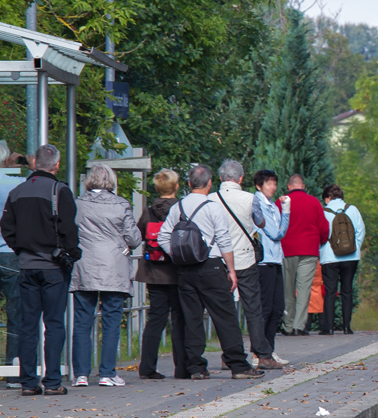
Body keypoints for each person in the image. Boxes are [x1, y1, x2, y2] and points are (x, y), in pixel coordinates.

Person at [157, 164, 263, 380]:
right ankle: (238, 366)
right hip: (211, 266)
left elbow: (163, 236)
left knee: (191, 318)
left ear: (188, 184)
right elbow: (224, 239)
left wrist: (178, 255)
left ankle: (196, 367)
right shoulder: (213, 206)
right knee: (225, 317)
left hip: (185, 270)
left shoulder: (178, 207)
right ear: (210, 183)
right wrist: (231, 270)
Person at [0, 144, 80, 396]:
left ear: (34, 163)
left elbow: (6, 226)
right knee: (54, 323)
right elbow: (69, 230)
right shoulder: (60, 191)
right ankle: (53, 381)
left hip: (26, 266)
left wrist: (21, 249)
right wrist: (72, 254)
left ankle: (28, 382)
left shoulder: (18, 191)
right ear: (56, 165)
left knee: (28, 324)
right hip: (54, 267)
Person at [69, 164, 142, 387]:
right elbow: (134, 238)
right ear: (111, 181)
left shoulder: (77, 204)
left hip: (84, 265)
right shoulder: (121, 204)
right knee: (111, 321)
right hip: (113, 266)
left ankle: (80, 374)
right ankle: (107, 373)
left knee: (82, 321)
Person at [216, 160, 282, 370]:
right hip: (244, 259)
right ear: (241, 178)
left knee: (224, 311)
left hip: (217, 260)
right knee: (253, 309)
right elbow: (260, 222)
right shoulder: (249, 198)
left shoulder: (210, 199)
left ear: (219, 179)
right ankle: (263, 355)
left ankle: (229, 355)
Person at [135, 169, 187, 380]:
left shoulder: (148, 211)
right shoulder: (182, 210)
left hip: (154, 272)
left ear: (156, 188)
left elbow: (138, 234)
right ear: (176, 187)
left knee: (156, 318)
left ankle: (147, 367)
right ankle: (182, 367)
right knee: (179, 319)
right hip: (177, 271)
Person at [279, 174, 328, 336]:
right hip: (309, 250)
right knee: (304, 289)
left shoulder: (282, 202)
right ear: (304, 186)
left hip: (287, 250)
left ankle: (287, 325)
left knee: (287, 289)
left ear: (289, 186)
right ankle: (299, 326)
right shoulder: (314, 202)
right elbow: (324, 227)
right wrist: (321, 241)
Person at [252, 170, 291, 362]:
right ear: (259, 185)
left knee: (277, 308)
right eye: (269, 183)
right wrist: (287, 212)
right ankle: (258, 352)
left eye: (274, 183)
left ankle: (268, 349)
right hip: (264, 261)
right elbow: (277, 232)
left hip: (276, 259)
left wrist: (282, 211)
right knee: (265, 308)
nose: (273, 187)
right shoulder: (257, 203)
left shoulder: (273, 206)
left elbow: (280, 232)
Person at [319, 184, 365, 335]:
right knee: (347, 291)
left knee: (330, 292)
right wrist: (354, 247)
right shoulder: (353, 209)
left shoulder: (323, 212)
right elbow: (361, 231)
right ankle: (347, 327)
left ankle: (329, 328)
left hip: (329, 257)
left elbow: (321, 233)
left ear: (328, 198)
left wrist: (322, 250)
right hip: (351, 256)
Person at [0, 142, 23, 388]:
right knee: (16, 314)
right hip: (10, 253)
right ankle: (14, 371)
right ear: (7, 162)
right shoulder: (15, 185)